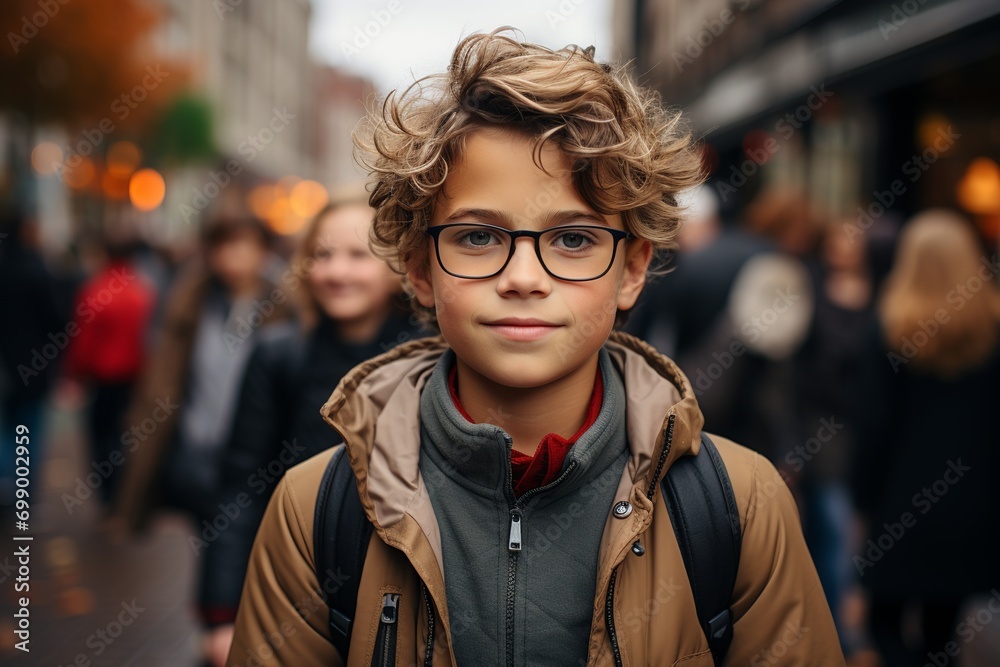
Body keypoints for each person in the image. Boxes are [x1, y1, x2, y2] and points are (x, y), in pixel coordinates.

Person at [227, 29, 843, 666]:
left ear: (632, 268)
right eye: (477, 238)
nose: (523, 277)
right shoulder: (314, 510)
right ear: (419, 268)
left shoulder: (738, 504)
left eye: (573, 240)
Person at [199, 187, 424, 666]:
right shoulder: (279, 355)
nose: (336, 271)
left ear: (398, 266)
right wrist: (221, 612)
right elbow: (241, 484)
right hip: (294, 584)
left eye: (358, 255)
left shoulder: (430, 360)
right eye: (322, 255)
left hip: (400, 595)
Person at [852, 209, 1000, 666]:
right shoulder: (991, 329)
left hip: (901, 506)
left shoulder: (888, 329)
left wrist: (863, 498)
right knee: (943, 630)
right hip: (971, 506)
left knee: (883, 624)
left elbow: (873, 426)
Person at [112, 214, 294, 533]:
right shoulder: (190, 300)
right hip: (197, 447)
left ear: (264, 251)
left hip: (258, 456)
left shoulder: (286, 306)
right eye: (224, 246)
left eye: (244, 246)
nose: (233, 256)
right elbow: (164, 373)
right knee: (210, 536)